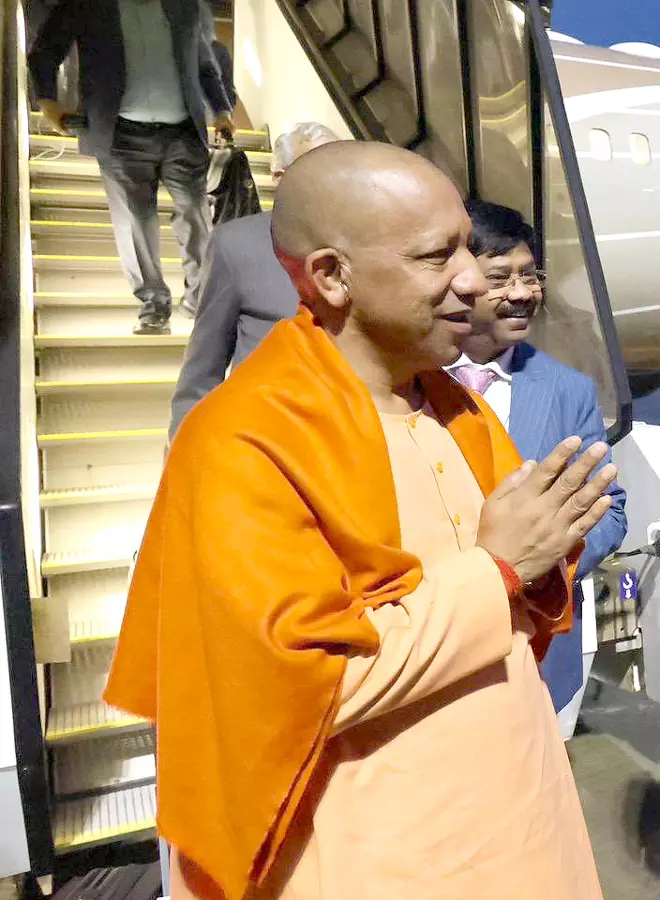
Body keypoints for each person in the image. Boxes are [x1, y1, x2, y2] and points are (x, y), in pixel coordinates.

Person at [104, 141, 611, 900]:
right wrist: (500, 571)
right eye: (438, 256)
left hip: (526, 820)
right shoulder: (243, 439)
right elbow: (301, 683)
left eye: (467, 247)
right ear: (332, 276)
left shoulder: (457, 410)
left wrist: (543, 556)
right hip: (380, 855)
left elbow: (523, 609)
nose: (476, 281)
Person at [448, 199, 627, 738]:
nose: (523, 293)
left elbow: (610, 513)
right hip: (442, 645)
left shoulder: (567, 389)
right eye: (500, 278)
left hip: (541, 651)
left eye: (530, 276)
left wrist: (541, 567)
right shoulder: (404, 383)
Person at [27, 0, 236, 334]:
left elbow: (203, 63)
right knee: (135, 222)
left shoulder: (183, 6)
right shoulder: (89, 6)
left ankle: (200, 298)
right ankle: (153, 305)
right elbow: (45, 51)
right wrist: (48, 103)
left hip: (183, 133)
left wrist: (222, 110)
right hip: (120, 134)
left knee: (196, 216)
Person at [169, 122, 340, 436]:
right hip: (267, 433)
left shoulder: (372, 244)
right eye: (312, 171)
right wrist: (186, 445)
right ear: (279, 177)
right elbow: (202, 369)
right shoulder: (236, 244)